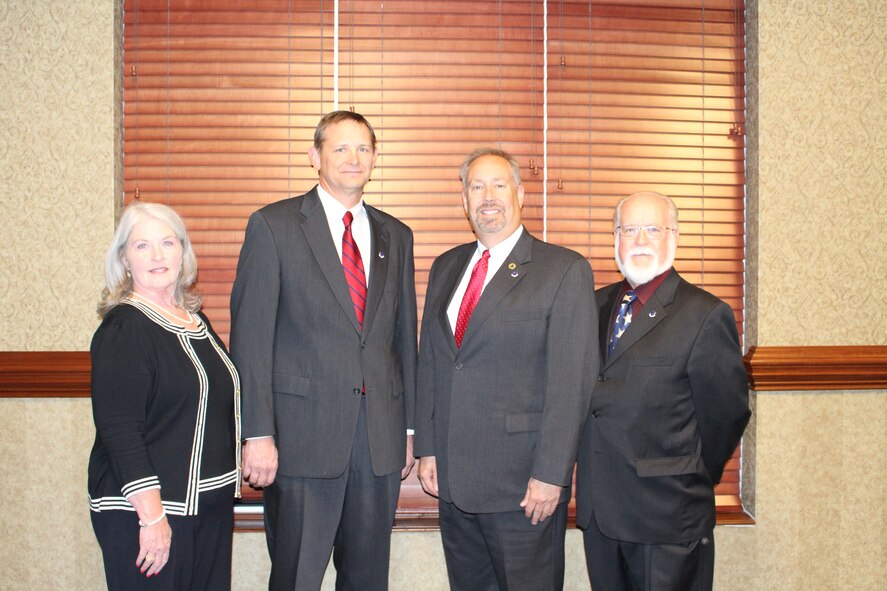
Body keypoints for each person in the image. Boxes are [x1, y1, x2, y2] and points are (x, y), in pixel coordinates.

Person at [229, 110, 417, 591]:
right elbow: (250, 340)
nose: (353, 159)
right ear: (315, 157)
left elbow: (402, 341)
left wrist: (411, 429)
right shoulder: (273, 226)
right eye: (340, 148)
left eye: (363, 149)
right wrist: (257, 433)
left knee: (367, 579)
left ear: (375, 159)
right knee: (296, 577)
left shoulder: (396, 235)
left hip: (378, 443)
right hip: (299, 442)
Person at [414, 148, 598, 590]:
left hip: (523, 488)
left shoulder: (563, 270)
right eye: (476, 187)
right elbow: (435, 364)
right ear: (464, 200)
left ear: (519, 194)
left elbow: (571, 384)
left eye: (498, 185)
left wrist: (551, 474)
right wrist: (428, 448)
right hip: (455, 485)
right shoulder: (446, 267)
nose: (487, 196)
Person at [575, 191, 751, 591]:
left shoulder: (705, 315)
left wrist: (685, 474)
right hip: (601, 514)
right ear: (615, 239)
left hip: (668, 514)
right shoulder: (594, 305)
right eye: (629, 229)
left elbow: (726, 416)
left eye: (652, 229)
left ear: (674, 235)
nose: (639, 240)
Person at [88, 202, 241, 590]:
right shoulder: (124, 329)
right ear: (124, 259)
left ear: (183, 252)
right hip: (149, 514)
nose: (157, 255)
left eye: (167, 242)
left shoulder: (196, 321)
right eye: (142, 246)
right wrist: (152, 518)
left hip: (207, 511)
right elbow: (120, 431)